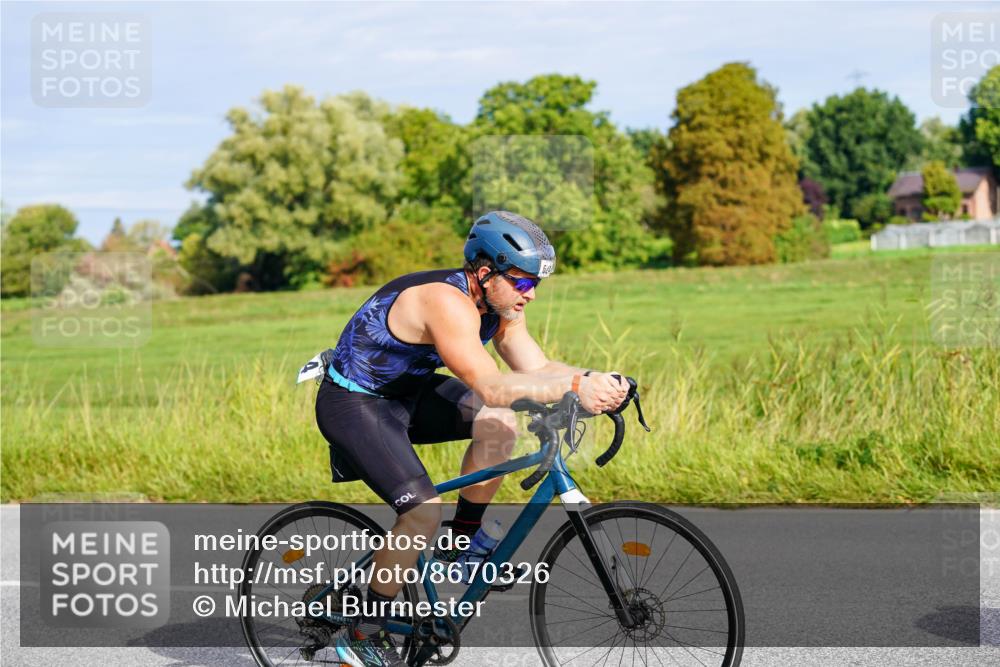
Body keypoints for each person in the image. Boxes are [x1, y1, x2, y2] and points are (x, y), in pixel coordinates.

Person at [315, 210, 629, 666]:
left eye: (535, 284)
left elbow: (536, 370)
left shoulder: (499, 306)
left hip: (408, 394)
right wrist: (576, 387)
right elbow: (493, 386)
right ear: (485, 273)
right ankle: (363, 633)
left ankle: (462, 546)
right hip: (356, 404)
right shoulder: (444, 302)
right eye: (522, 283)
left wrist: (599, 378)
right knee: (422, 512)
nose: (531, 294)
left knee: (498, 424)